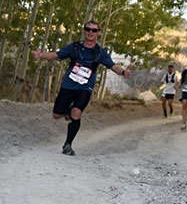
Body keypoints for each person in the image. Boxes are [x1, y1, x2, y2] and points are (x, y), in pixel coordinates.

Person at [33, 21, 131, 156]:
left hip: (85, 88)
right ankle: (67, 112)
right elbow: (56, 55)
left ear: (98, 33)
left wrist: (123, 72)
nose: (91, 32)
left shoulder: (99, 52)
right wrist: (41, 55)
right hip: (68, 85)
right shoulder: (75, 47)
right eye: (88, 29)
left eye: (94, 30)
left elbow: (113, 66)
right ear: (84, 31)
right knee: (56, 115)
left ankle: (68, 144)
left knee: (77, 113)